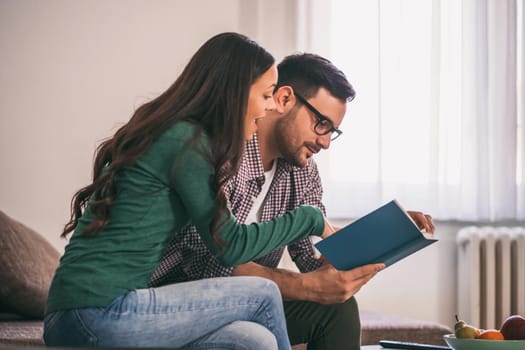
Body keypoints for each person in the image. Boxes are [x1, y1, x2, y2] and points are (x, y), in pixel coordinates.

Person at [43, 33, 384, 350]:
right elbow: (227, 247)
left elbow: (311, 258)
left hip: (100, 309)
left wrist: (376, 240)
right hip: (100, 310)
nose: (269, 107)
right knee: (263, 293)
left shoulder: (189, 140)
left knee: (255, 340)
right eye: (266, 95)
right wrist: (309, 220)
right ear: (237, 91)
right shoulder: (191, 145)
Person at [150, 53, 435, 350]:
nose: (325, 142)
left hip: (248, 304)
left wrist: (383, 234)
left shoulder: (303, 173)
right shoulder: (219, 153)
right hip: (178, 299)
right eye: (321, 123)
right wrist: (305, 287)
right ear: (285, 99)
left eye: (332, 131)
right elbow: (206, 265)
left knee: (338, 309)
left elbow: (313, 258)